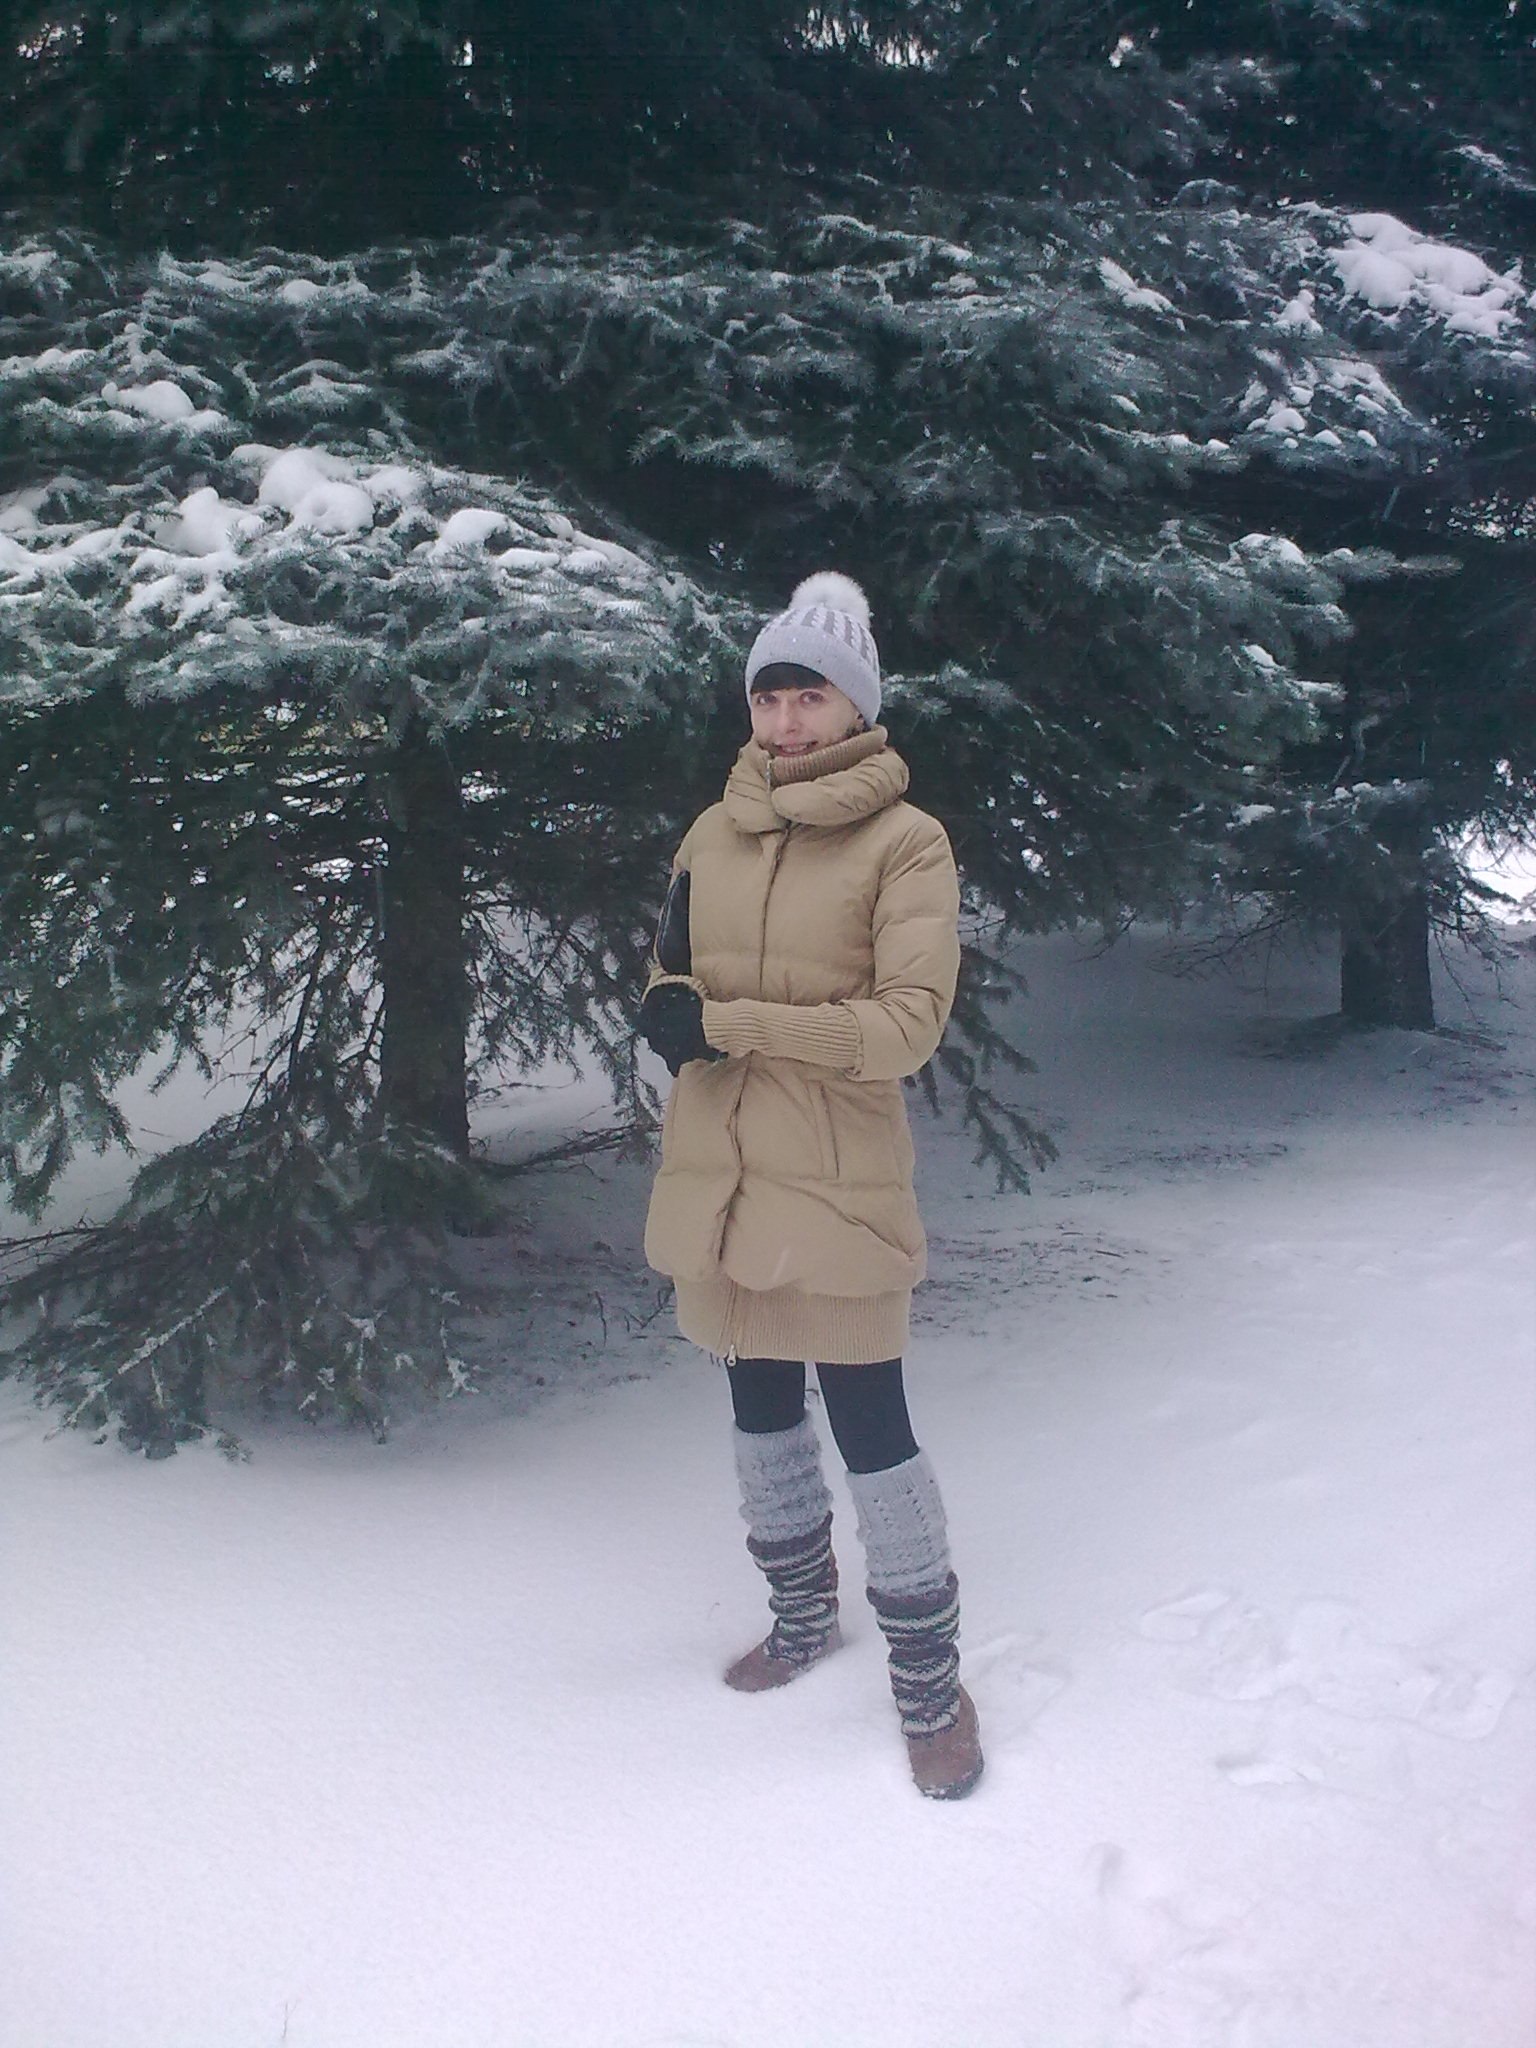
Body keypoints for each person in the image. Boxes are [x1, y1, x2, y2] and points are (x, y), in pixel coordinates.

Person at [637, 572, 984, 1800]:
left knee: (873, 1425)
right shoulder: (710, 831)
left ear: (857, 704)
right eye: (769, 695)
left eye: (811, 695)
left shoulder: (907, 841)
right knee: (759, 1404)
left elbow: (905, 1026)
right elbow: (669, 971)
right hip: (724, 1171)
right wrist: (668, 1012)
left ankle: (930, 1680)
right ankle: (799, 1612)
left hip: (836, 1181)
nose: (786, 720)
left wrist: (729, 1022)